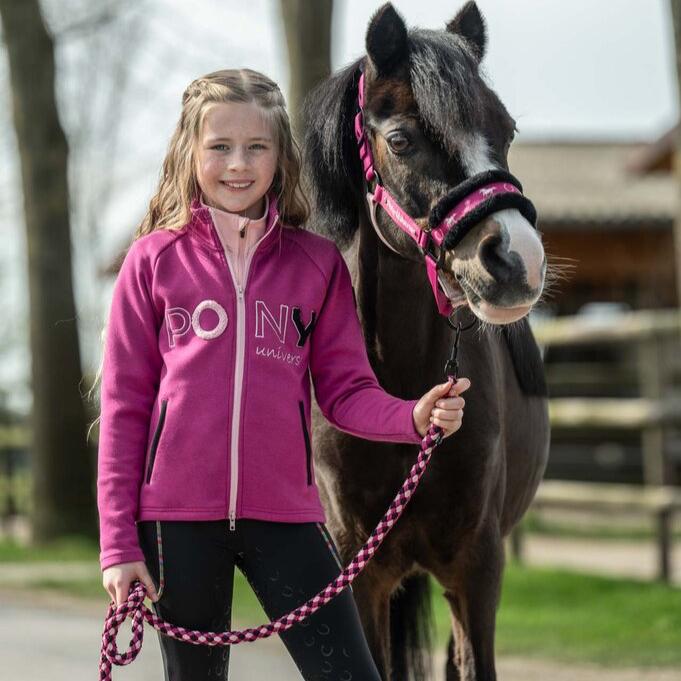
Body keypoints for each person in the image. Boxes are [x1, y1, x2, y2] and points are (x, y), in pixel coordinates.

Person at [98, 68, 470, 681]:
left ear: (280, 156)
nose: (237, 164)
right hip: (176, 521)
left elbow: (347, 392)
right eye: (219, 146)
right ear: (190, 151)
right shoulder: (152, 262)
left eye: (257, 147)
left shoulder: (316, 264)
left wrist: (412, 416)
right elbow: (124, 410)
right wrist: (119, 546)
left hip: (288, 519)